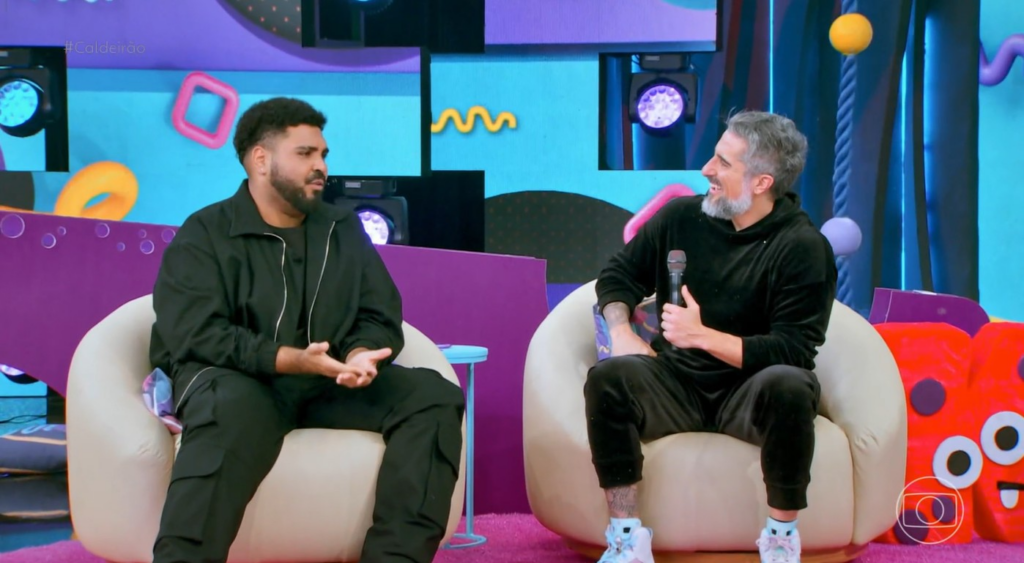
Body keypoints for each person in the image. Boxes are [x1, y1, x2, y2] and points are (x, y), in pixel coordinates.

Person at [148, 97, 465, 563]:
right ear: (261, 159)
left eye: (323, 154)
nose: (321, 167)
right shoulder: (205, 233)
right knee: (228, 407)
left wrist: (360, 353)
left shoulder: (341, 228)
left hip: (326, 382)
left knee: (433, 396)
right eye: (305, 154)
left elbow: (379, 312)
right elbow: (195, 333)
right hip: (239, 381)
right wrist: (289, 359)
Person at [586, 110, 837, 563]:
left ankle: (781, 539)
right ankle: (626, 538)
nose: (706, 170)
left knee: (792, 385)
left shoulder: (803, 248)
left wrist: (702, 336)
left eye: (723, 162)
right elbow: (618, 276)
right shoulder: (682, 218)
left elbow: (794, 349)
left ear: (761, 182)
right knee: (609, 378)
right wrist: (620, 330)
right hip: (675, 384)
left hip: (748, 392)